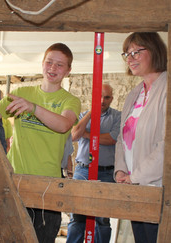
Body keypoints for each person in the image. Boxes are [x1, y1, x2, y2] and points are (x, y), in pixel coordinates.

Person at [0, 43, 81, 243]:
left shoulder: (69, 101)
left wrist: (33, 108)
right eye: (49, 62)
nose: (53, 68)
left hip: (47, 188)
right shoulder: (23, 93)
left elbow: (64, 125)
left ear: (68, 70)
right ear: (42, 64)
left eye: (60, 65)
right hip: (15, 181)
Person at [114, 32, 168, 243]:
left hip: (158, 188)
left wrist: (135, 177)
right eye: (127, 54)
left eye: (136, 52)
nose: (130, 58)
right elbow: (121, 138)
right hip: (134, 187)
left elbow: (169, 145)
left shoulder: (170, 88)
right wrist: (120, 171)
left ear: (155, 50)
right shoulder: (134, 93)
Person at [67, 84, 121, 243]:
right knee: (77, 217)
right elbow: (75, 135)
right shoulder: (84, 115)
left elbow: (112, 139)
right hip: (83, 170)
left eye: (107, 97)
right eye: (99, 97)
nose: (102, 101)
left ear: (112, 98)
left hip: (106, 172)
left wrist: (87, 134)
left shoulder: (117, 116)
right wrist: (92, 112)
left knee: (102, 219)